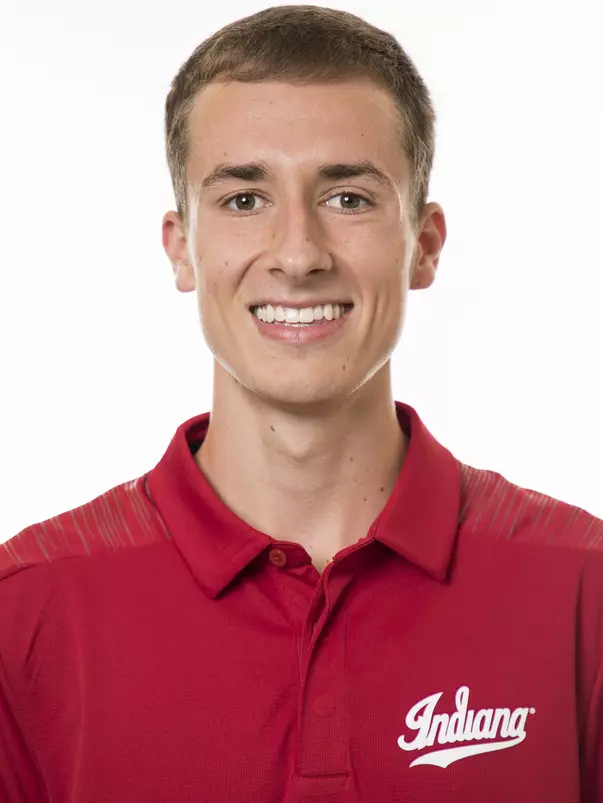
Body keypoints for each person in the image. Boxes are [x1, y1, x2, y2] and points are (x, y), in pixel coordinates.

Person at [1, 5, 601, 802]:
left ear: (422, 244)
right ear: (182, 246)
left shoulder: (581, 592)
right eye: (244, 200)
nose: (296, 254)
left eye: (347, 198)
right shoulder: (27, 609)